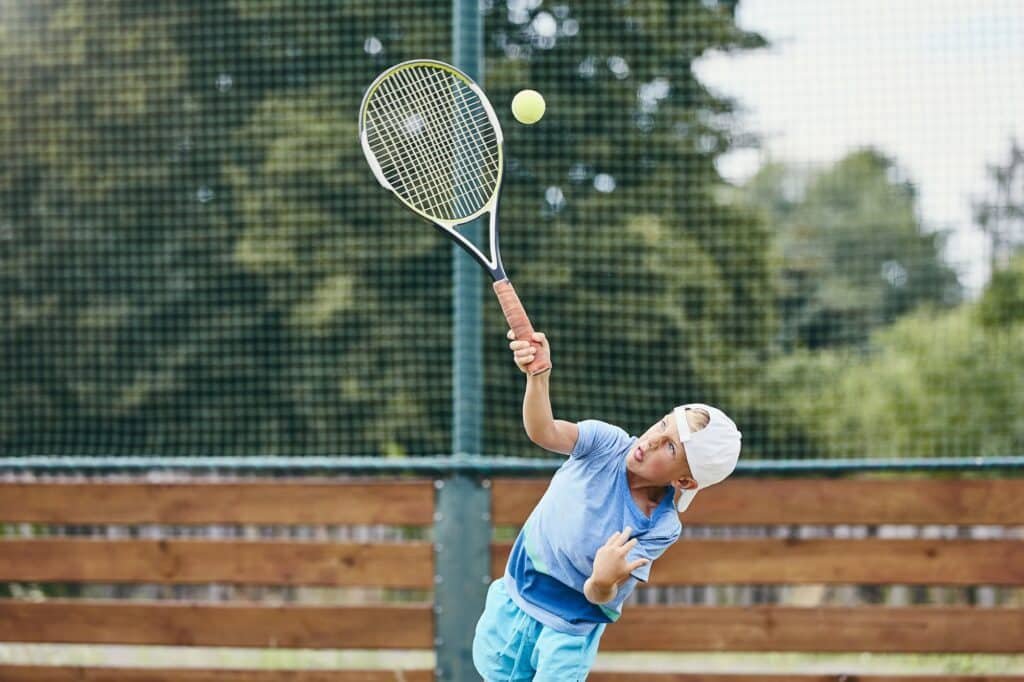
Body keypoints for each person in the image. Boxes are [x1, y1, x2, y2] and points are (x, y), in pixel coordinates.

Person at [472, 330, 742, 681]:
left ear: (685, 482)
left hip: (567, 633)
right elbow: (544, 432)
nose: (653, 439)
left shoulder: (660, 527)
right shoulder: (606, 443)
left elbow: (598, 595)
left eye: (671, 448)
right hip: (515, 596)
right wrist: (538, 377)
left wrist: (602, 578)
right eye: (662, 425)